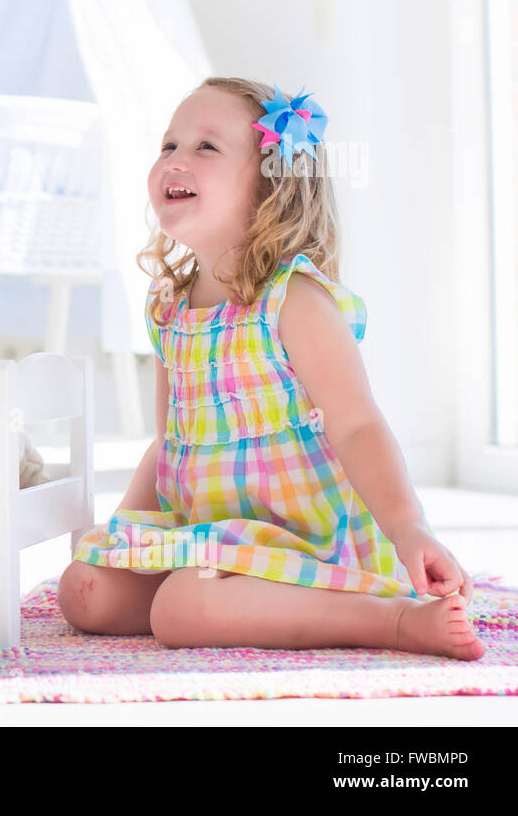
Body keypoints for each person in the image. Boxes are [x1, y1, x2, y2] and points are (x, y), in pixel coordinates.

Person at [57, 77, 484, 660]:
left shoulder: (294, 300)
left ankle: (391, 620)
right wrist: (124, 536)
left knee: (183, 610)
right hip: (214, 538)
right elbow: (169, 442)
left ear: (270, 190)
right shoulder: (169, 308)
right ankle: (210, 594)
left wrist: (409, 527)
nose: (176, 159)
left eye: (206, 147)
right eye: (168, 145)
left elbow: (357, 424)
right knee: (86, 593)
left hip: (303, 543)